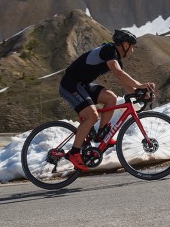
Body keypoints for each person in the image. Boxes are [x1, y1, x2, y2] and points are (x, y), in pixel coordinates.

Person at [59, 30, 155, 172]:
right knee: (92, 116)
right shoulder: (109, 50)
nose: (133, 50)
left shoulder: (116, 58)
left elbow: (126, 84)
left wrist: (141, 94)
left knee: (111, 98)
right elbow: (118, 73)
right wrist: (140, 85)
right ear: (124, 44)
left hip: (81, 84)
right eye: (132, 46)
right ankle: (74, 153)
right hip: (70, 84)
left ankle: (102, 135)